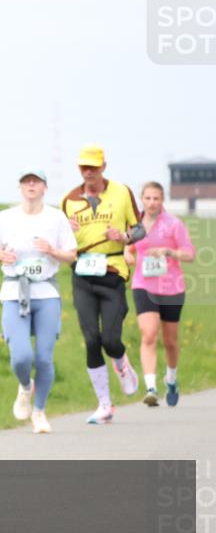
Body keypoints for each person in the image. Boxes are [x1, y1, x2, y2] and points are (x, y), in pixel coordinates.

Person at [60, 145, 145, 424]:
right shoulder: (69, 200)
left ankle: (121, 363)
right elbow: (60, 239)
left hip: (113, 271)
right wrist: (66, 231)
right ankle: (104, 404)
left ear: (103, 167)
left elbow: (139, 229)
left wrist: (124, 237)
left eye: (93, 167)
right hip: (82, 274)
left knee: (110, 339)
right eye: (84, 167)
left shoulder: (122, 192)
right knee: (91, 339)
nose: (88, 172)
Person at [0, 170, 77, 433]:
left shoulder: (56, 217)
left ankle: (39, 412)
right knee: (21, 357)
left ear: (44, 187)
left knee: (43, 358)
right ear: (19, 187)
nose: (31, 185)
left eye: (36, 181)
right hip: (13, 291)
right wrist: (1, 256)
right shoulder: (5, 217)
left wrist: (52, 251)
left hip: (46, 292)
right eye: (27, 181)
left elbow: (72, 255)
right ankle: (25, 387)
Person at [125, 182, 195, 407]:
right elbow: (129, 245)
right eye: (148, 198)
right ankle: (151, 387)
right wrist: (127, 253)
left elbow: (190, 254)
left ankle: (171, 380)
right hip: (143, 285)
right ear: (141, 200)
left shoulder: (173, 224)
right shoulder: (135, 225)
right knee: (148, 334)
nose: (152, 202)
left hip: (171, 287)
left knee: (170, 341)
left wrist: (168, 251)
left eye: (156, 198)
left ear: (162, 200)